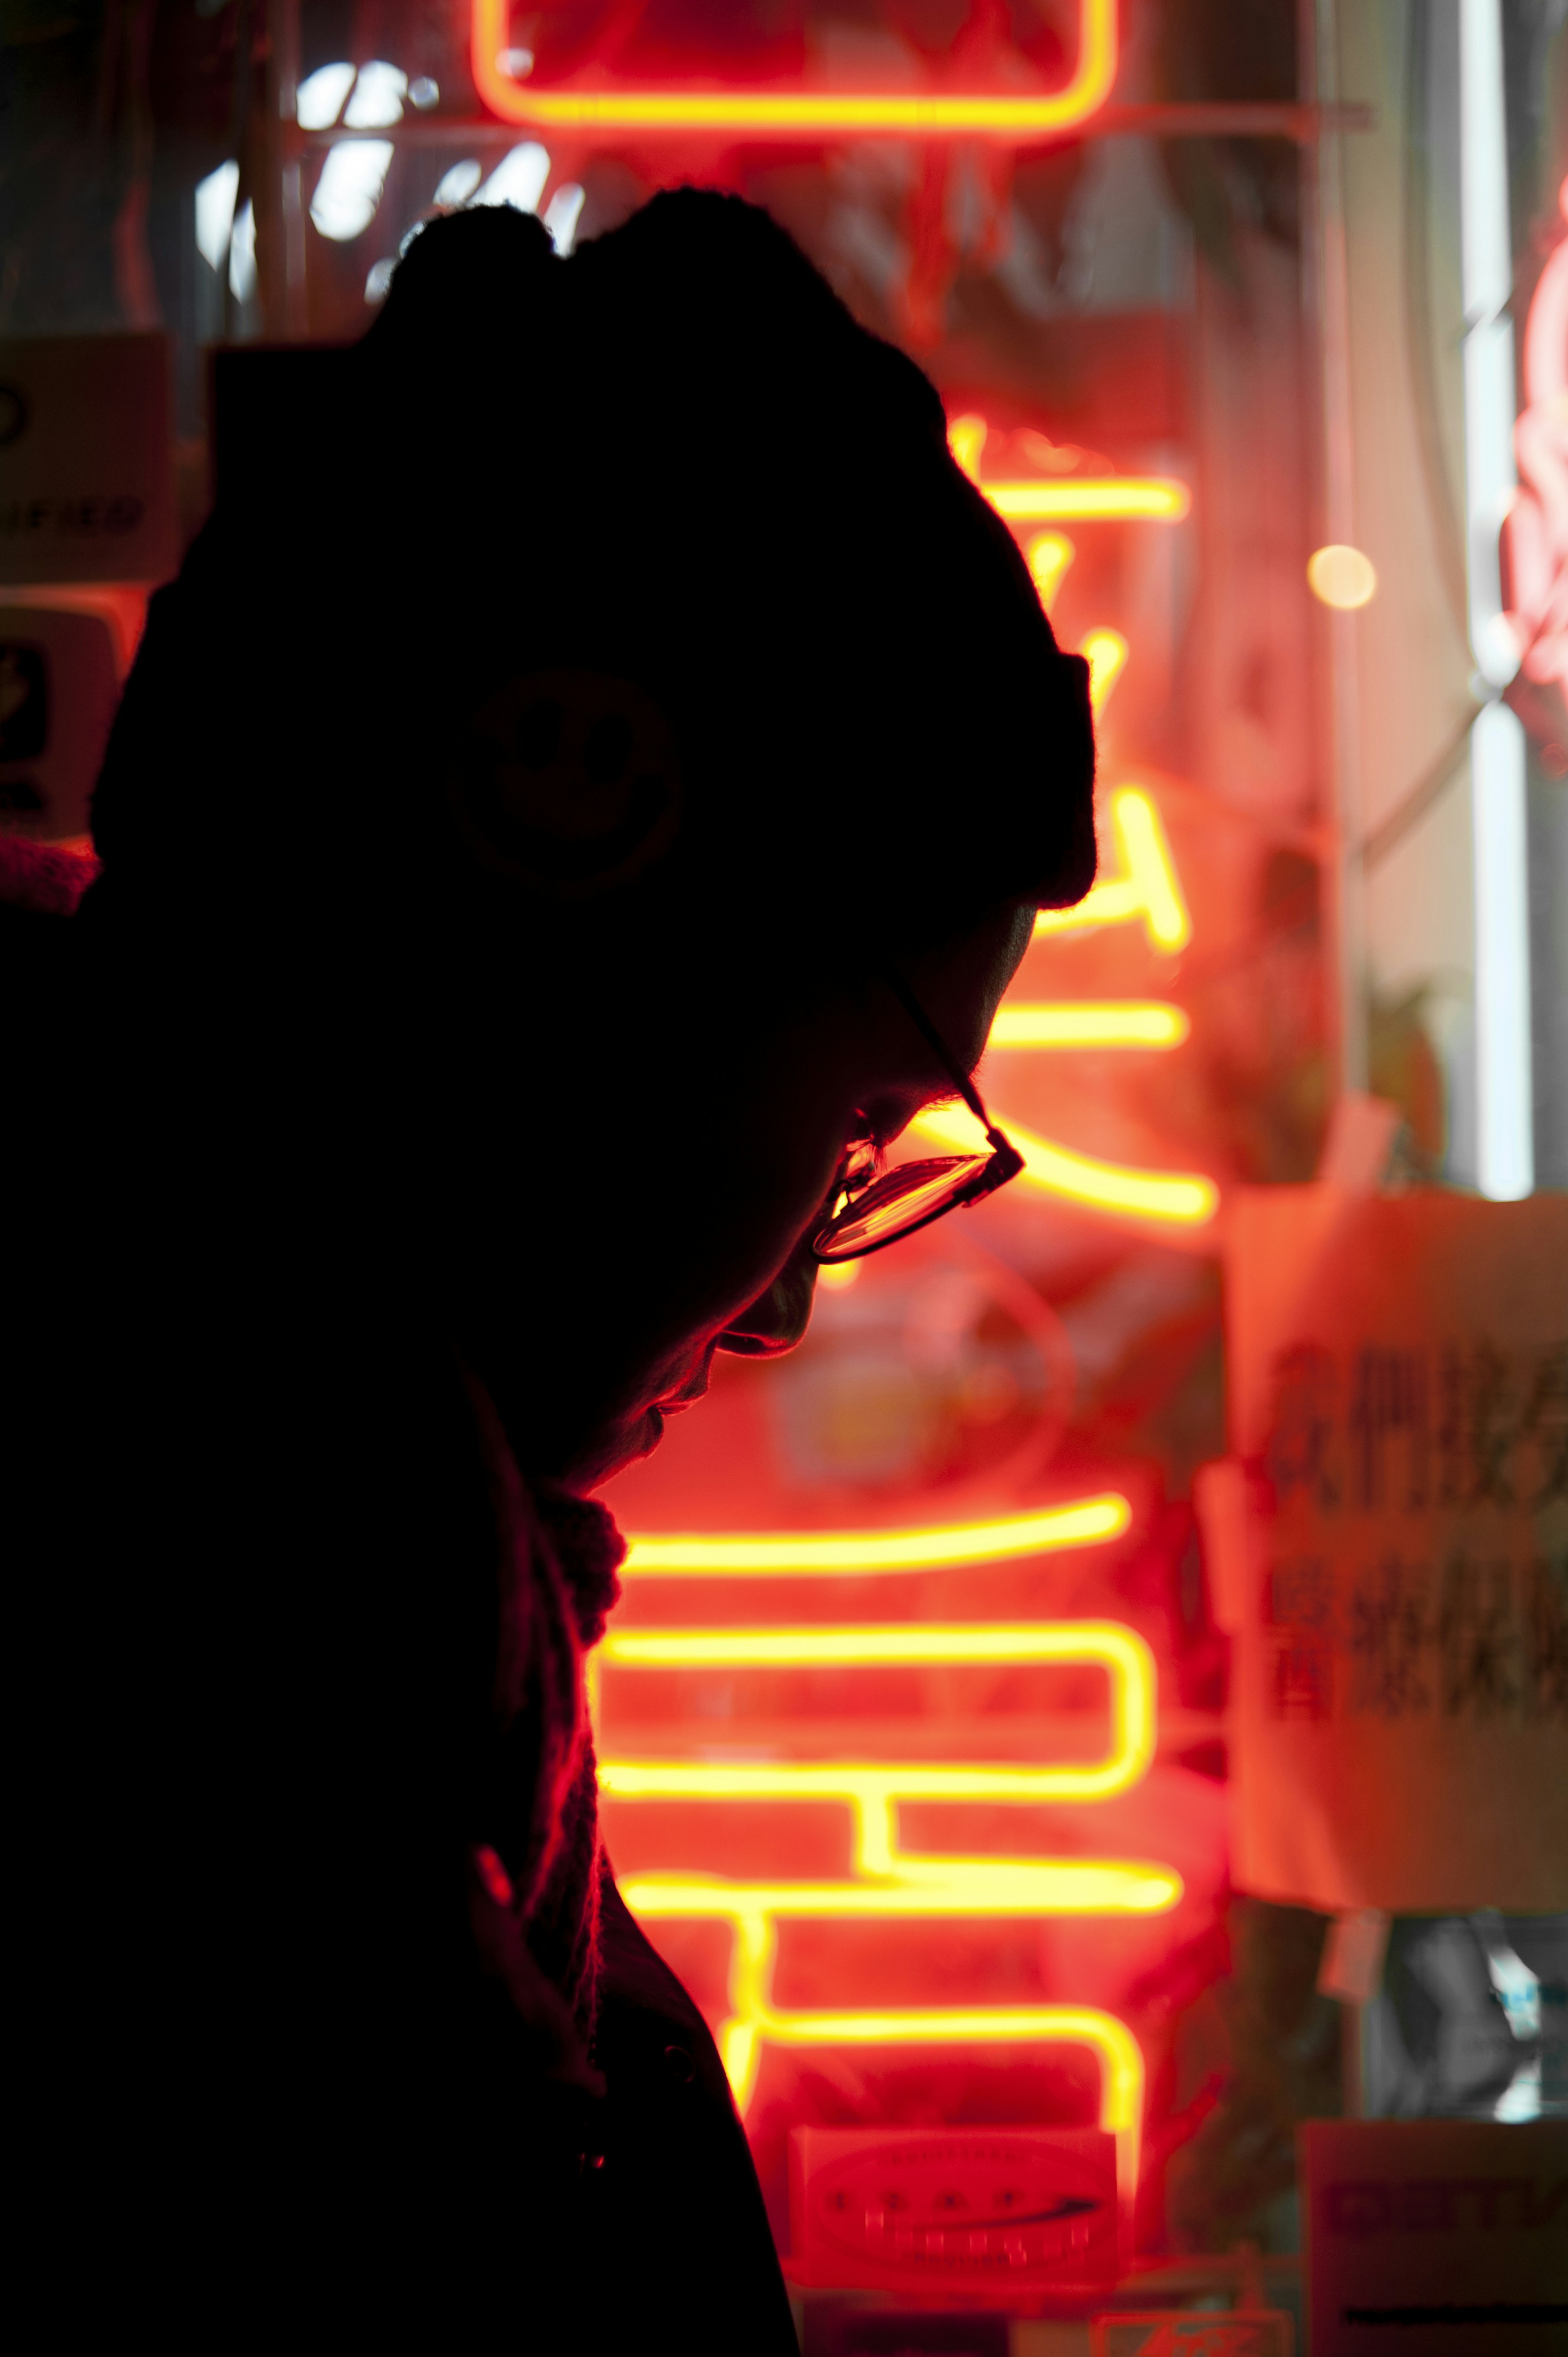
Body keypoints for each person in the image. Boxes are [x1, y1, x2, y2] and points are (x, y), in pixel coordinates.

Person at [6, 191, 1094, 2345]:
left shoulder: (278, 1537)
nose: (794, 1289)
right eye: (863, 1126)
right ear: (595, 969)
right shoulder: (285, 1673)